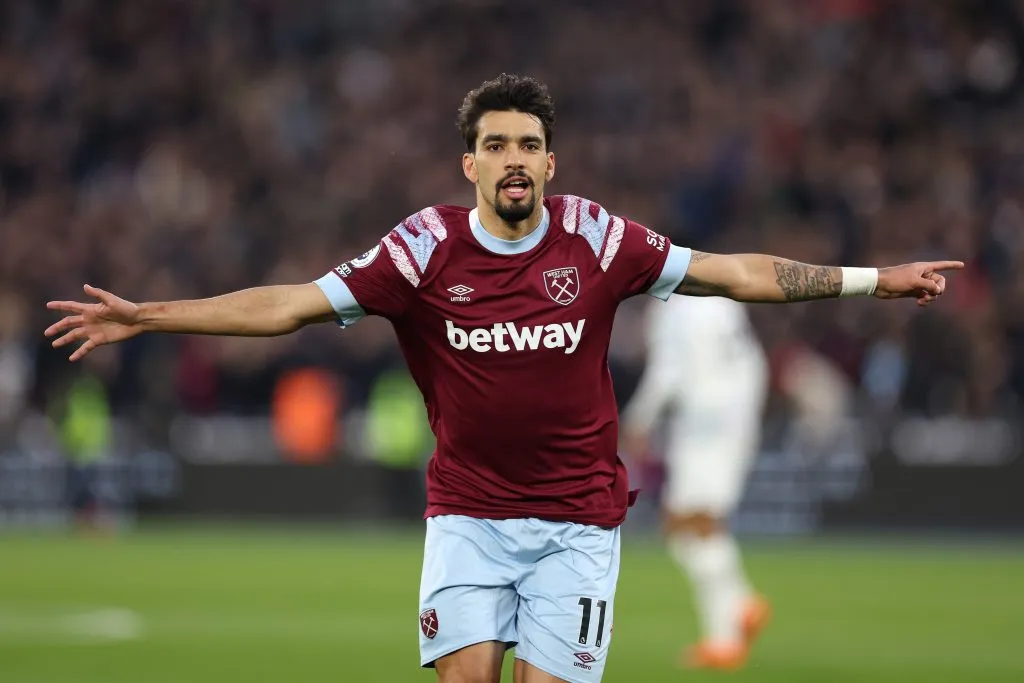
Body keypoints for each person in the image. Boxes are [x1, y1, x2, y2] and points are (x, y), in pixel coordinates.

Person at [45, 74, 963, 683]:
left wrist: (875, 279)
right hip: (469, 518)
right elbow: (287, 305)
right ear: (470, 163)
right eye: (498, 144)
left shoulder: (599, 240)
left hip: (576, 522)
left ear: (550, 163)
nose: (515, 158)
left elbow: (739, 273)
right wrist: (149, 315)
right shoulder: (420, 248)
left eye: (530, 144)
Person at [621, 295, 769, 671]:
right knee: (697, 523)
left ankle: (726, 635)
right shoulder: (723, 299)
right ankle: (741, 605)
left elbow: (667, 371)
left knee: (689, 525)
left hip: (704, 423)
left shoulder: (670, 308)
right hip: (737, 418)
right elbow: (754, 362)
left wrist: (640, 419)